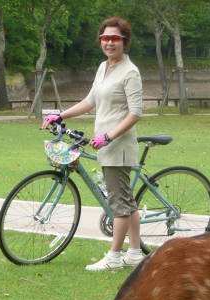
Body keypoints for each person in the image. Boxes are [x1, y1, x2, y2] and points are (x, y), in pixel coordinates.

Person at [43, 16, 143, 271]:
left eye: (115, 39)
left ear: (124, 41)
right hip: (104, 144)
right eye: (105, 38)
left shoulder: (130, 72)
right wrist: (61, 114)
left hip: (117, 145)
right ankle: (134, 252)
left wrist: (109, 136)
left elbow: (135, 113)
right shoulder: (103, 67)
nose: (109, 43)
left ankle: (114, 256)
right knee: (126, 200)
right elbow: (90, 102)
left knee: (118, 203)